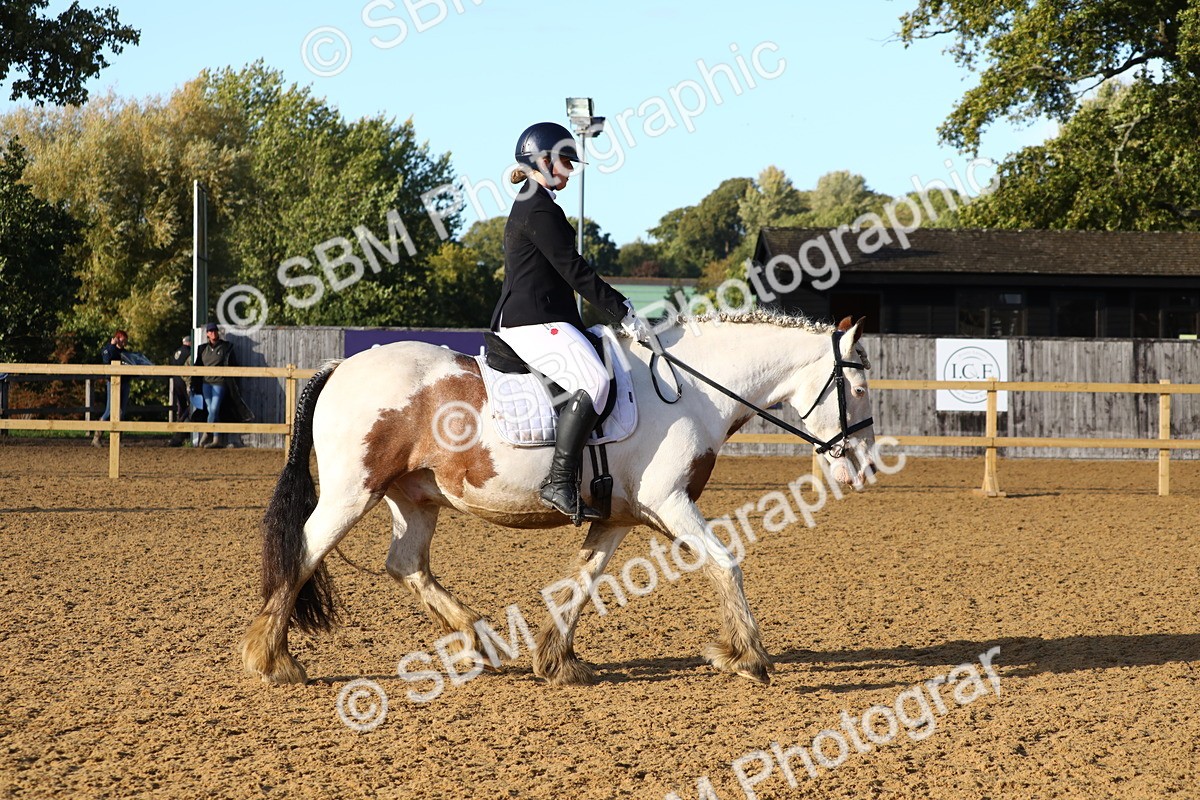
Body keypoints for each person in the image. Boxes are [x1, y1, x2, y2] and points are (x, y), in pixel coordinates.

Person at [490, 121, 653, 522]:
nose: (568, 169)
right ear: (541, 160)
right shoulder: (539, 207)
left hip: (546, 317)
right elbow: (574, 272)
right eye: (564, 161)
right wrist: (623, 310)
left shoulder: (534, 201)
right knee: (594, 382)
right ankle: (559, 481)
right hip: (532, 321)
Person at [196, 322, 235, 448]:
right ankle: (217, 439)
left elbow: (232, 363)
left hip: (219, 382)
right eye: (211, 331)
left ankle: (207, 432)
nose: (213, 333)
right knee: (211, 410)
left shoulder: (225, 347)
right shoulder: (202, 349)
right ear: (207, 334)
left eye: (215, 331)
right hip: (206, 383)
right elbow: (197, 366)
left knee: (213, 409)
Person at [93, 329, 129, 447]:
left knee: (121, 412)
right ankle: (97, 437)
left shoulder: (125, 353)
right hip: (113, 383)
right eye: (122, 339)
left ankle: (117, 439)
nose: (124, 342)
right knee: (109, 411)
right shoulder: (109, 350)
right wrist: (111, 345)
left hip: (125, 383)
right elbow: (106, 359)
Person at [167, 334, 193, 447]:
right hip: (184, 383)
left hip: (176, 383)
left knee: (181, 408)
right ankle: (181, 430)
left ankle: (179, 434)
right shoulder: (190, 352)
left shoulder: (176, 353)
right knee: (190, 406)